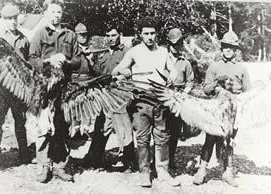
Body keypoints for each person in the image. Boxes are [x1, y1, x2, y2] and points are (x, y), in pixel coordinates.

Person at [112, 17, 180, 188]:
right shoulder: (133, 52)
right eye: (146, 33)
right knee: (142, 139)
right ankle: (144, 172)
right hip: (140, 100)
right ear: (140, 34)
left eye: (152, 33)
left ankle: (163, 171)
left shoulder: (163, 52)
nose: (150, 37)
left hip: (160, 99)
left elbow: (174, 69)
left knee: (162, 136)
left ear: (157, 34)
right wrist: (124, 70)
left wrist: (172, 75)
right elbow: (116, 70)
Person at [29, 0, 80, 183]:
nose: (56, 15)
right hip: (43, 88)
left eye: (59, 12)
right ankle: (43, 167)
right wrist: (48, 61)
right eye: (53, 12)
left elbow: (78, 61)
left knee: (61, 126)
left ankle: (59, 166)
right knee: (43, 128)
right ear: (46, 13)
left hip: (63, 88)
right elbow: (32, 59)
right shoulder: (40, 34)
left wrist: (66, 62)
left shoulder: (70, 35)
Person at [193, 30, 251, 187]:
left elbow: (248, 93)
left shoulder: (242, 69)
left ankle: (228, 171)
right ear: (221, 48)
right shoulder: (214, 67)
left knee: (229, 141)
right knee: (210, 139)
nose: (228, 50)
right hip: (216, 110)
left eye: (231, 47)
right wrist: (217, 82)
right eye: (225, 46)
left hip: (233, 111)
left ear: (235, 50)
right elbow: (205, 89)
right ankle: (202, 170)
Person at [83, 26, 136, 172]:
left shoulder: (127, 51)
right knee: (101, 127)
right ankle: (93, 159)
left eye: (113, 35)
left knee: (124, 128)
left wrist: (127, 72)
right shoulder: (102, 51)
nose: (111, 38)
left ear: (120, 34)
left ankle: (129, 162)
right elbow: (96, 72)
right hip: (105, 94)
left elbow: (133, 70)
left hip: (120, 95)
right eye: (108, 35)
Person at [0, 3, 30, 164]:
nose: (12, 21)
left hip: (17, 89)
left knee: (20, 120)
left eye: (14, 18)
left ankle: (23, 153)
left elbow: (28, 62)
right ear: (2, 19)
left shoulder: (24, 39)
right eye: (8, 18)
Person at [166, 28, 195, 169]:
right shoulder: (162, 59)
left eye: (178, 44)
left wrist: (185, 92)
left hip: (179, 98)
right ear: (168, 44)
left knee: (175, 131)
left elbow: (190, 80)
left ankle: (170, 160)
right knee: (161, 130)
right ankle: (160, 161)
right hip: (164, 96)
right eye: (173, 44)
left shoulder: (185, 62)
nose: (176, 47)